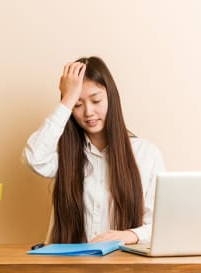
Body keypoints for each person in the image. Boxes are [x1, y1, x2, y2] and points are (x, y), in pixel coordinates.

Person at [22, 56, 165, 245]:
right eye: (78, 105)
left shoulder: (146, 154)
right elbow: (34, 158)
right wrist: (66, 100)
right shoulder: (64, 154)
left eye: (96, 100)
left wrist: (129, 235)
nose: (88, 112)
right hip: (69, 266)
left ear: (111, 98)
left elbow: (159, 226)